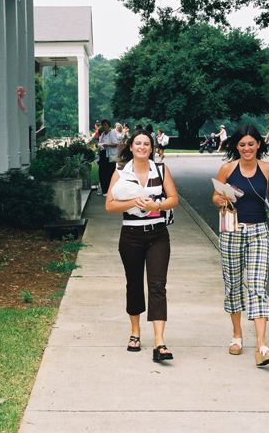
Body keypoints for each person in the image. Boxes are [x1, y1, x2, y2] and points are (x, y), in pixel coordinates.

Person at [212, 124, 269, 366]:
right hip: (232, 230)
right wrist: (221, 199)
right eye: (242, 144)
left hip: (259, 232)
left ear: (259, 144)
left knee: (257, 285)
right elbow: (214, 196)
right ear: (237, 146)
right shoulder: (227, 168)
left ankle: (262, 346)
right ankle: (237, 336)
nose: (247, 148)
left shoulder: (267, 169)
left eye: (251, 144)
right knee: (233, 283)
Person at [105, 129, 179, 362]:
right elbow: (109, 205)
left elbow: (174, 199)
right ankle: (135, 333)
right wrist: (133, 202)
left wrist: (155, 205)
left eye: (146, 143)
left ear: (152, 147)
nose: (142, 147)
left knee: (158, 286)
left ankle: (160, 342)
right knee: (134, 283)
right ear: (131, 146)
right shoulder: (120, 172)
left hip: (158, 235)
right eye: (138, 143)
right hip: (131, 236)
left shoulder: (161, 169)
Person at [98, 119, 120, 196]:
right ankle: (104, 190)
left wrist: (108, 145)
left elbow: (116, 144)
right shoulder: (103, 134)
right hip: (103, 154)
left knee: (109, 173)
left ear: (108, 125)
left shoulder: (112, 132)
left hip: (110, 156)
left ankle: (109, 190)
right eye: (103, 125)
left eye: (105, 125)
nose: (104, 126)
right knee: (101, 172)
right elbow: (100, 143)